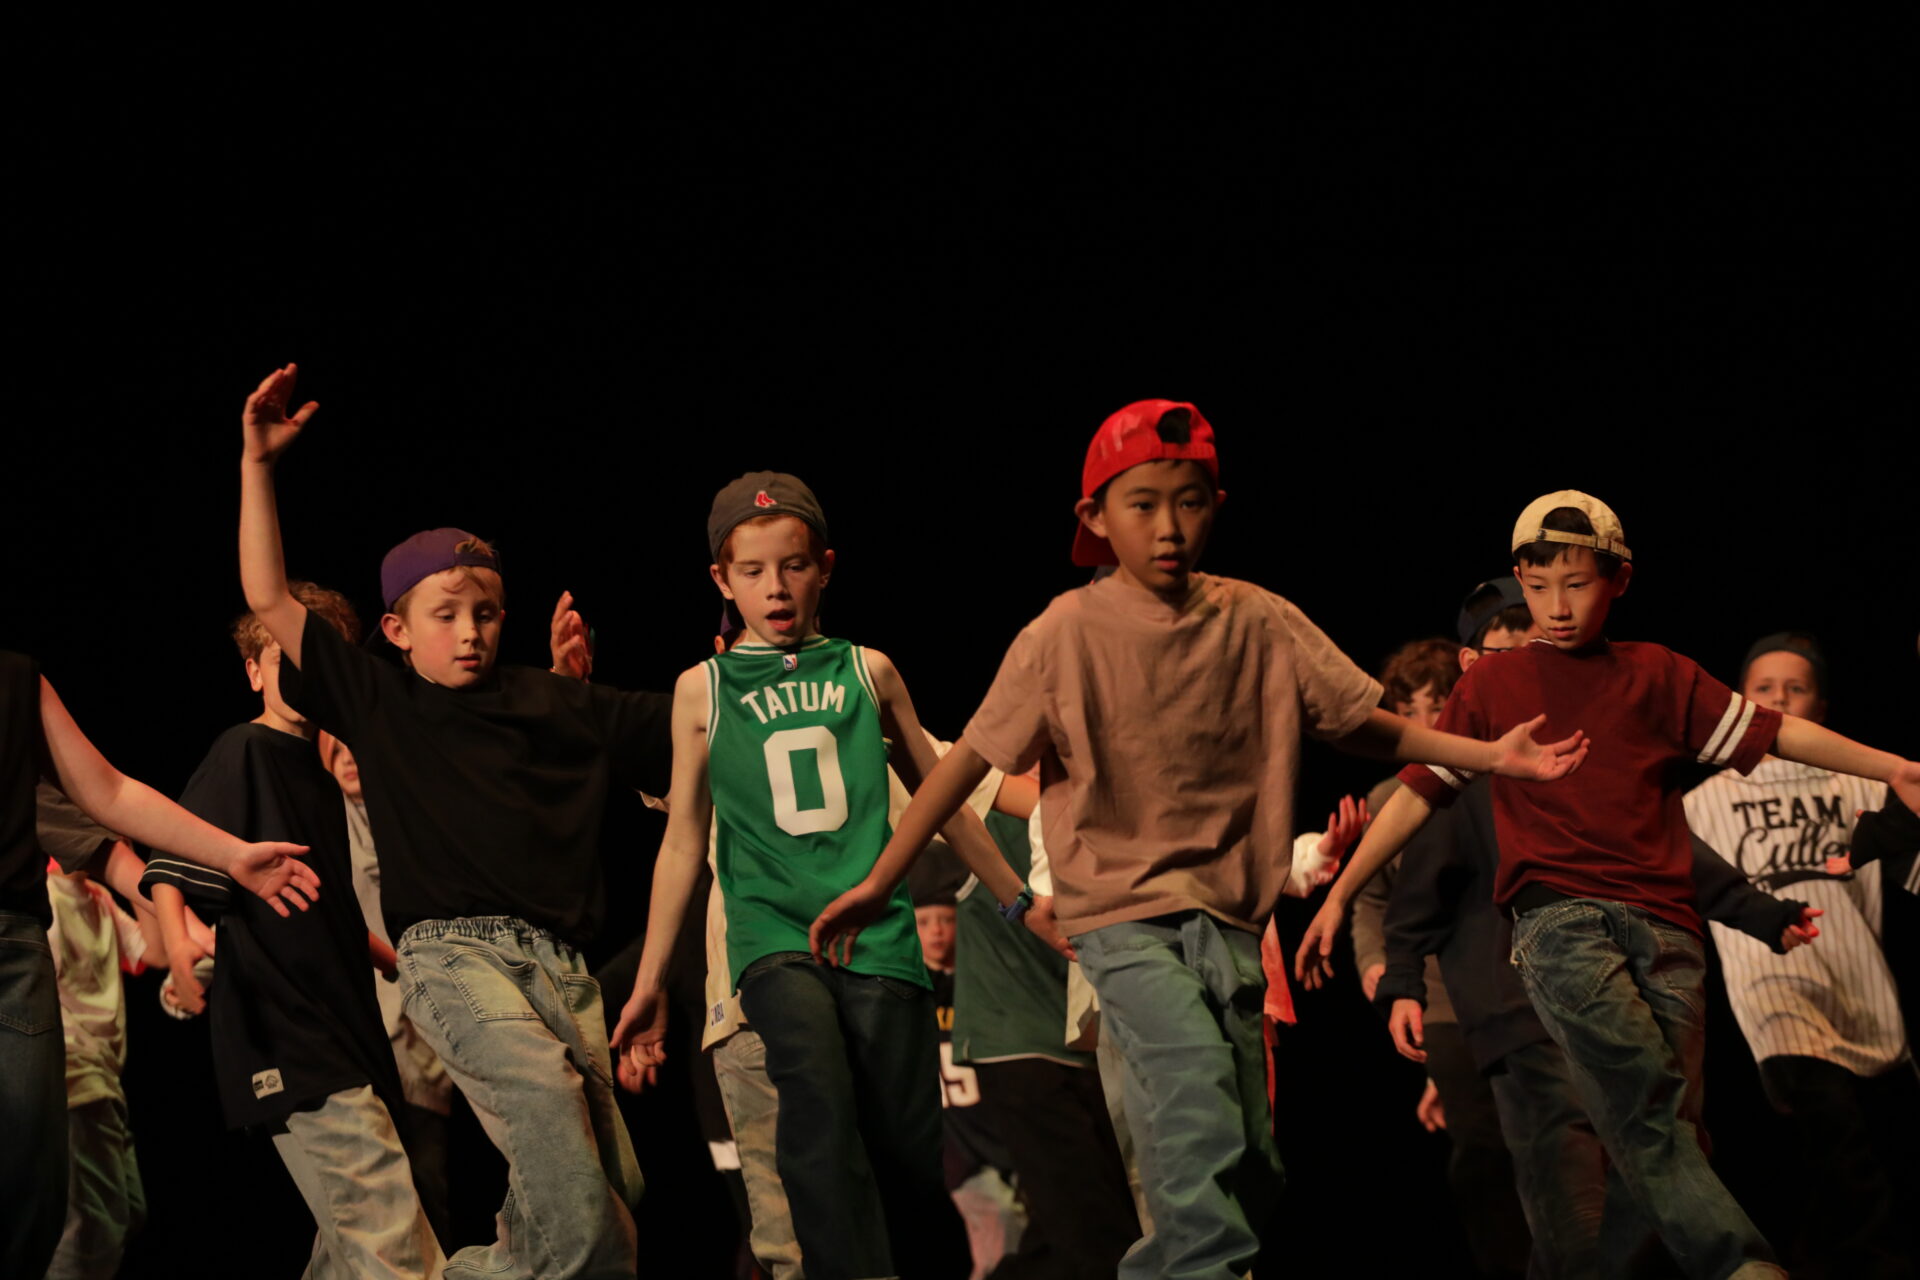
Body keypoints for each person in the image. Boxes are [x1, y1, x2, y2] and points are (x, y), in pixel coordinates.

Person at [810, 401, 1589, 1280]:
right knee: (1197, 1106)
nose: (1169, 527)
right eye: (1141, 505)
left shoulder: (1256, 620)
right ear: (1095, 519)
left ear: (1217, 503)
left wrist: (1490, 754)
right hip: (1120, 920)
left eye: (1189, 501)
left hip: (1228, 922)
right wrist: (882, 881)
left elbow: (1365, 723)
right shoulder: (1062, 634)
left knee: (1251, 1165)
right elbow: (963, 769)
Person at [1300, 490, 1920, 1280]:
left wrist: (1893, 766)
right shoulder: (1492, 688)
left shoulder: (1658, 674)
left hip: (1665, 929)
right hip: (1562, 925)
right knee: (1645, 1108)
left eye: (1578, 583)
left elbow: (1772, 734)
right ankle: (1742, 1264)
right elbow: (1419, 791)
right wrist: (1342, 894)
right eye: (1538, 585)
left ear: (1619, 580)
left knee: (1666, 1137)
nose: (1556, 607)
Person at [236, 364, 673, 1279]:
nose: (469, 632)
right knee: (552, 1121)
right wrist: (258, 467)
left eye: (485, 614)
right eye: (445, 616)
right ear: (396, 631)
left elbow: (681, 725)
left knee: (605, 1203)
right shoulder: (381, 699)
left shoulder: (547, 700)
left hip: (560, 968)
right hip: (452, 954)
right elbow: (273, 601)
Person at [611, 470, 1054, 1280]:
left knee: (908, 1152)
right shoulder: (700, 691)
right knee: (812, 1095)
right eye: (752, 571)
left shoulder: (869, 671)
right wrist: (648, 984)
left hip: (877, 937)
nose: (776, 588)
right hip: (770, 936)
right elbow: (682, 842)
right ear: (722, 580)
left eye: (794, 565)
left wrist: (1018, 900)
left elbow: (947, 800)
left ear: (825, 566)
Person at [141, 581, 443, 1280]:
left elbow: (324, 904)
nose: (301, 675)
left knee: (347, 1249)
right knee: (390, 1235)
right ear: (253, 671)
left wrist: (393, 960)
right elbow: (170, 863)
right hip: (288, 1031)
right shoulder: (244, 750)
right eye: (282, 658)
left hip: (344, 1026)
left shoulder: (318, 773)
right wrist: (181, 945)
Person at [2, 650, 318, 1280]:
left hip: (12, 953)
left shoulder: (14, 677)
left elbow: (108, 794)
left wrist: (232, 857)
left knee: (33, 1202)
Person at [1684, 632, 1919, 1278]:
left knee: (1853, 1161)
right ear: (1740, 703)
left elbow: (1909, 863)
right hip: (1774, 990)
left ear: (1820, 706)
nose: (1780, 698)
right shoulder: (1700, 803)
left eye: (1796, 688)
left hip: (1860, 986)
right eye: (1763, 688)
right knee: (1832, 1141)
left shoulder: (1857, 783)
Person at [1350, 633, 1530, 1280]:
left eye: (1439, 705)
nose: (1428, 723)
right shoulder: (1382, 802)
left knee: (1541, 1143)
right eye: (1413, 710)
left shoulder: (1498, 782)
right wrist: (1377, 966)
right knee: (1481, 1151)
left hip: (1514, 987)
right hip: (1442, 1003)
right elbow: (1369, 900)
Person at [319, 731, 457, 1247]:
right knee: (363, 1196)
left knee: (425, 1185)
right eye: (340, 748)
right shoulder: (318, 823)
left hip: (418, 1035)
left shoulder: (407, 818)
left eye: (360, 746)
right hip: (353, 1030)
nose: (351, 757)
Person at [38, 785, 166, 1280]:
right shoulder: (43, 898)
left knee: (126, 1212)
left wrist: (133, 864)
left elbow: (153, 953)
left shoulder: (98, 899)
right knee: (91, 1227)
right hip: (72, 1080)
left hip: (105, 1082)